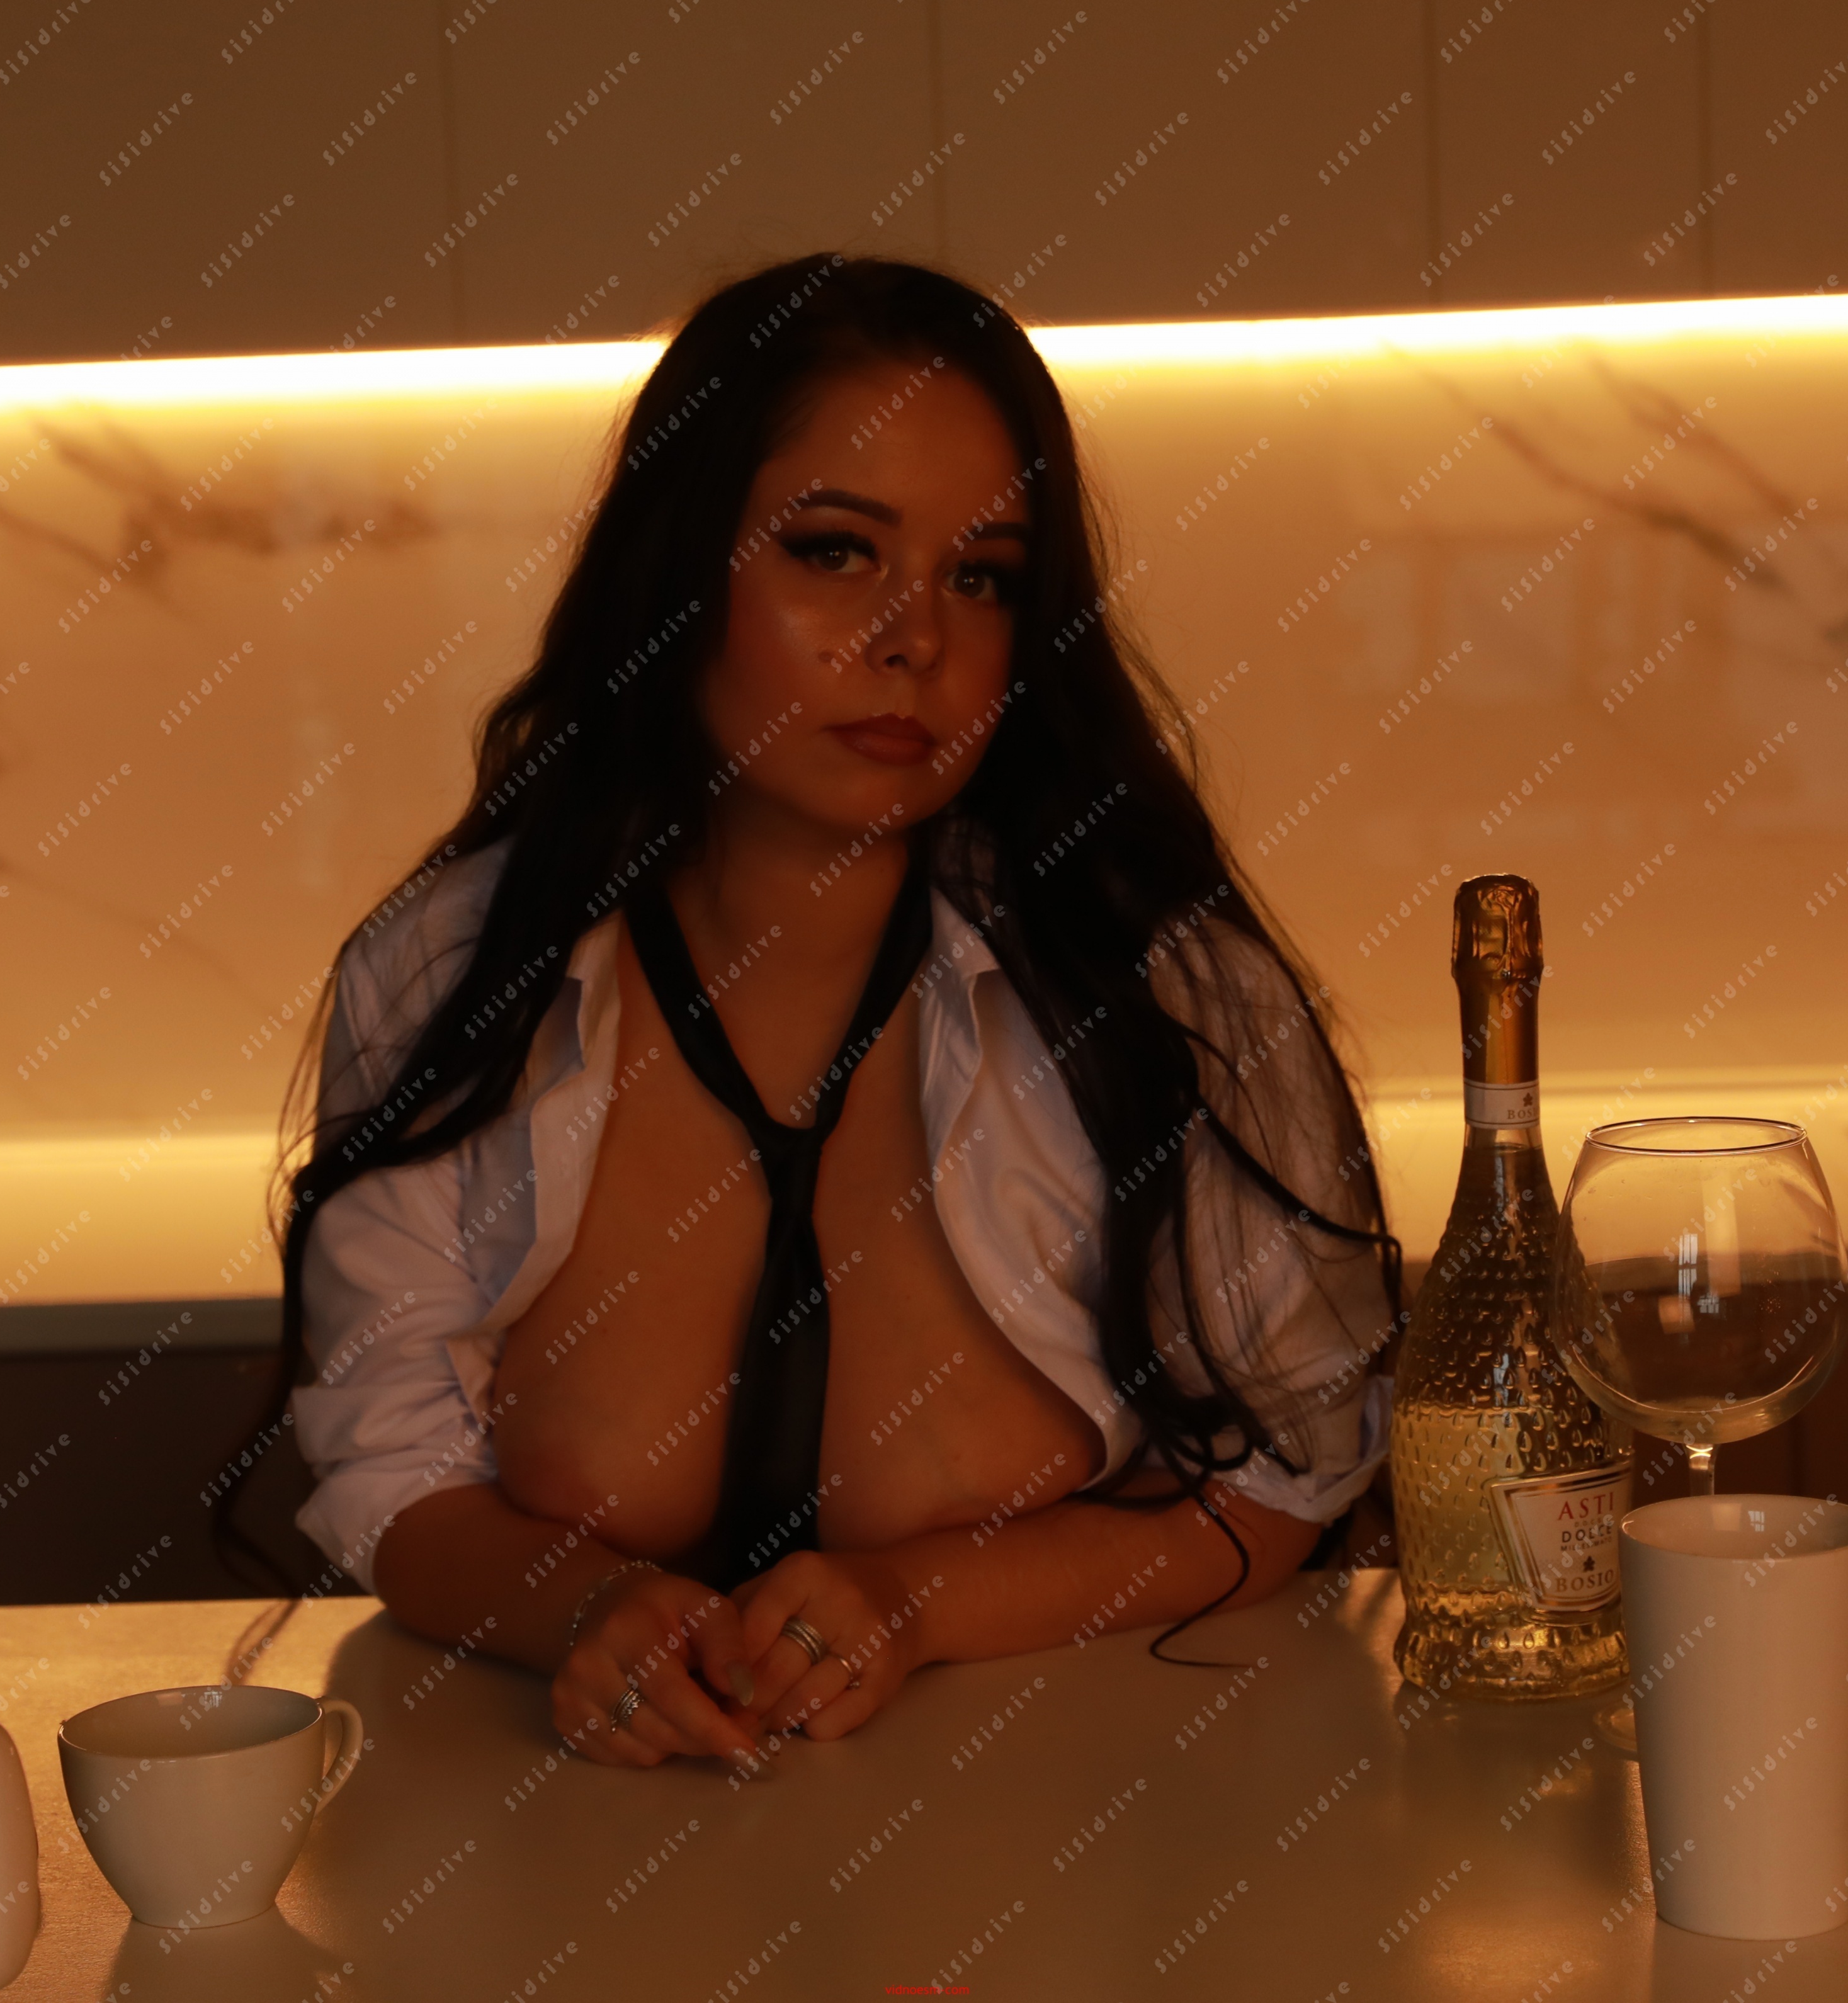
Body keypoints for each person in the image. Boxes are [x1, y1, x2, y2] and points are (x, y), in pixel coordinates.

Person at [252, 253, 1405, 1778]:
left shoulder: (1164, 995)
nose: (916, 637)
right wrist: (580, 1609)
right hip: (576, 1859)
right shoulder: (453, 975)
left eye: (982, 576)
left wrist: (917, 1604)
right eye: (836, 552)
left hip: (1064, 1845)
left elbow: (1291, 1469)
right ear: (680, 574)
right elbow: (385, 1464)